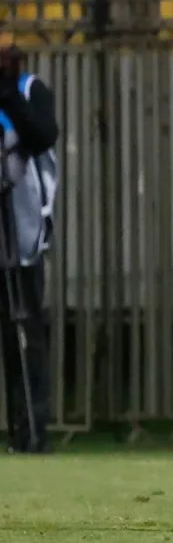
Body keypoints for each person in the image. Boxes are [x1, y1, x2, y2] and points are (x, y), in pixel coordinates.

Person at [0, 38, 59, 455]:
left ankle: (32, 430)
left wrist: (5, 93)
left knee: (25, 330)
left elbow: (42, 136)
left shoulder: (28, 90)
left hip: (20, 235)